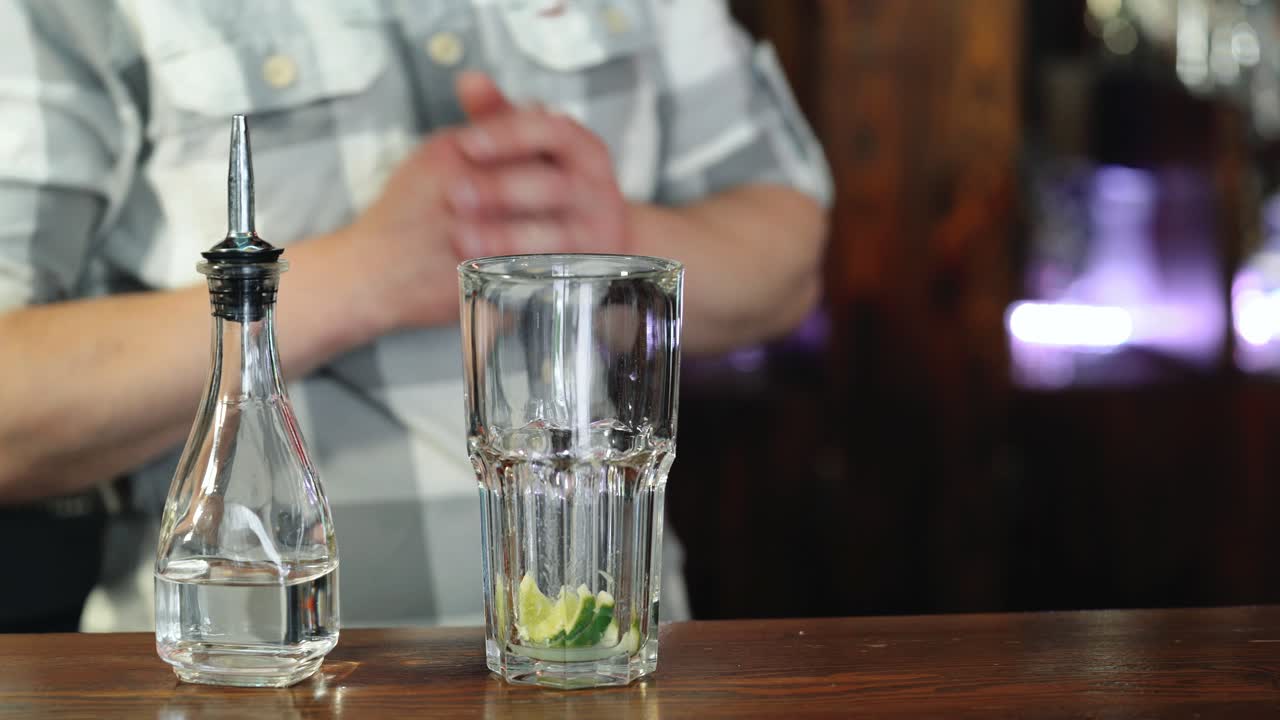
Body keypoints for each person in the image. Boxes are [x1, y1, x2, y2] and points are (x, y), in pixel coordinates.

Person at [0, 0, 831, 631]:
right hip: (241, 678)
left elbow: (787, 266)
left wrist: (601, 238)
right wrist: (365, 275)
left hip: (611, 662)